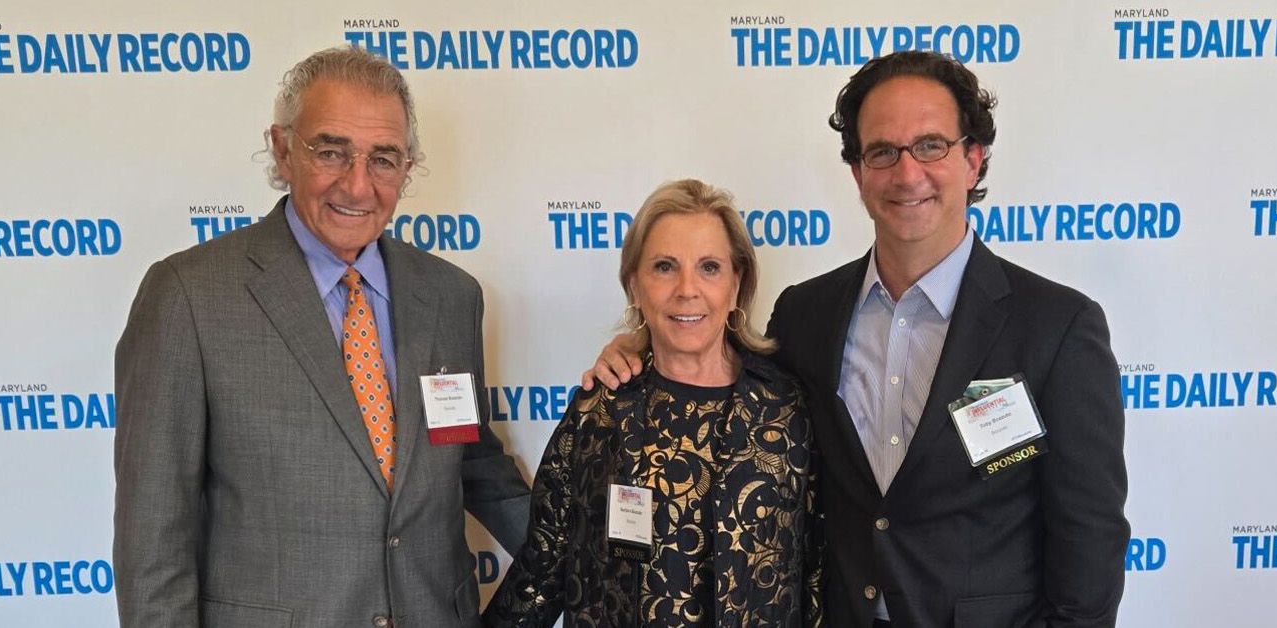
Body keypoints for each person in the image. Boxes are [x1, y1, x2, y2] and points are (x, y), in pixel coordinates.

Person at [587, 52, 1129, 627]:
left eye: (930, 146)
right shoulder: (805, 316)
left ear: (973, 160)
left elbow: (1090, 541)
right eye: (882, 152)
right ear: (858, 173)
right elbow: (721, 378)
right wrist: (642, 347)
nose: (907, 173)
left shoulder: (1057, 328)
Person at [113, 47, 530, 627]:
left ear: (407, 168)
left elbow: (471, 458)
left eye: (383, 159)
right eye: (331, 152)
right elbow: (154, 537)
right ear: (283, 150)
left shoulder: (451, 297)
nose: (358, 186)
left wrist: (599, 565)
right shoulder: (188, 296)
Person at [485, 179, 821, 627]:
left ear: (736, 284)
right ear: (634, 285)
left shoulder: (787, 407)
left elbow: (816, 573)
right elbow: (542, 568)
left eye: (709, 267)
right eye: (665, 267)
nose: (687, 289)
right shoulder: (599, 409)